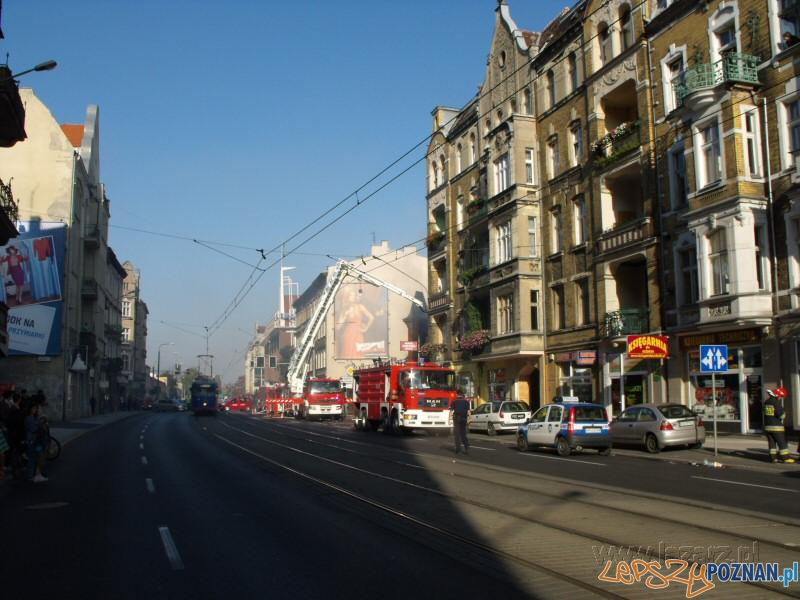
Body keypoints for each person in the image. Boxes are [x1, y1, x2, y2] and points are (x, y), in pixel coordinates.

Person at [763, 387, 795, 464]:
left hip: (767, 426)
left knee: (772, 443)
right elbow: (781, 415)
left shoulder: (767, 402)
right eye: (781, 396)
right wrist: (784, 413)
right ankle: (785, 458)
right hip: (776, 427)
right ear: (778, 395)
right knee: (782, 442)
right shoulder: (775, 402)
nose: (781, 398)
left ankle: (773, 458)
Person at [24, 402, 48, 482]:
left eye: (36, 409)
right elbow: (34, 429)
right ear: (30, 409)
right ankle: (32, 476)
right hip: (32, 441)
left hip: (35, 441)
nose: (35, 410)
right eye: (34, 408)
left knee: (36, 458)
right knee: (33, 459)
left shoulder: (34, 418)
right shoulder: (29, 418)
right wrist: (41, 424)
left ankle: (34, 475)